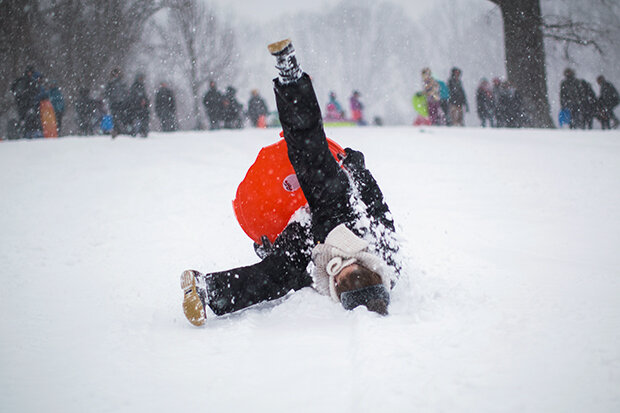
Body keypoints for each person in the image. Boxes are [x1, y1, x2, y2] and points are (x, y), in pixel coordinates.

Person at [180, 39, 401, 326]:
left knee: (277, 276)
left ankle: (205, 289)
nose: (342, 265)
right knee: (313, 159)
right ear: (368, 266)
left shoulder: (321, 273)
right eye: (351, 265)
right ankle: (291, 79)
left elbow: (285, 271)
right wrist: (358, 172)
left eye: (339, 275)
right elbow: (377, 208)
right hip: (340, 215)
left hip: (308, 241)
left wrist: (274, 250)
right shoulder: (385, 254)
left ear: (335, 287)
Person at [10, 66, 42, 138]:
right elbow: (37, 91)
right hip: (27, 104)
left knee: (24, 118)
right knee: (29, 118)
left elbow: (13, 89)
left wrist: (18, 97)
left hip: (22, 103)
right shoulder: (30, 81)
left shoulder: (20, 80)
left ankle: (25, 133)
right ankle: (28, 133)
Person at [104, 67, 129, 137]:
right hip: (114, 102)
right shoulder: (111, 83)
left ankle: (120, 130)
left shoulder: (121, 83)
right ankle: (117, 130)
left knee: (121, 116)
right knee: (115, 117)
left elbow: (126, 92)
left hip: (121, 102)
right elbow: (107, 93)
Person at [127, 73, 150, 137]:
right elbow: (133, 97)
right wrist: (140, 101)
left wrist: (145, 102)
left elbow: (144, 96)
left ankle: (143, 131)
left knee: (143, 120)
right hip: (136, 107)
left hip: (141, 107)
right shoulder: (135, 87)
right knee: (136, 120)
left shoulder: (142, 86)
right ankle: (136, 131)